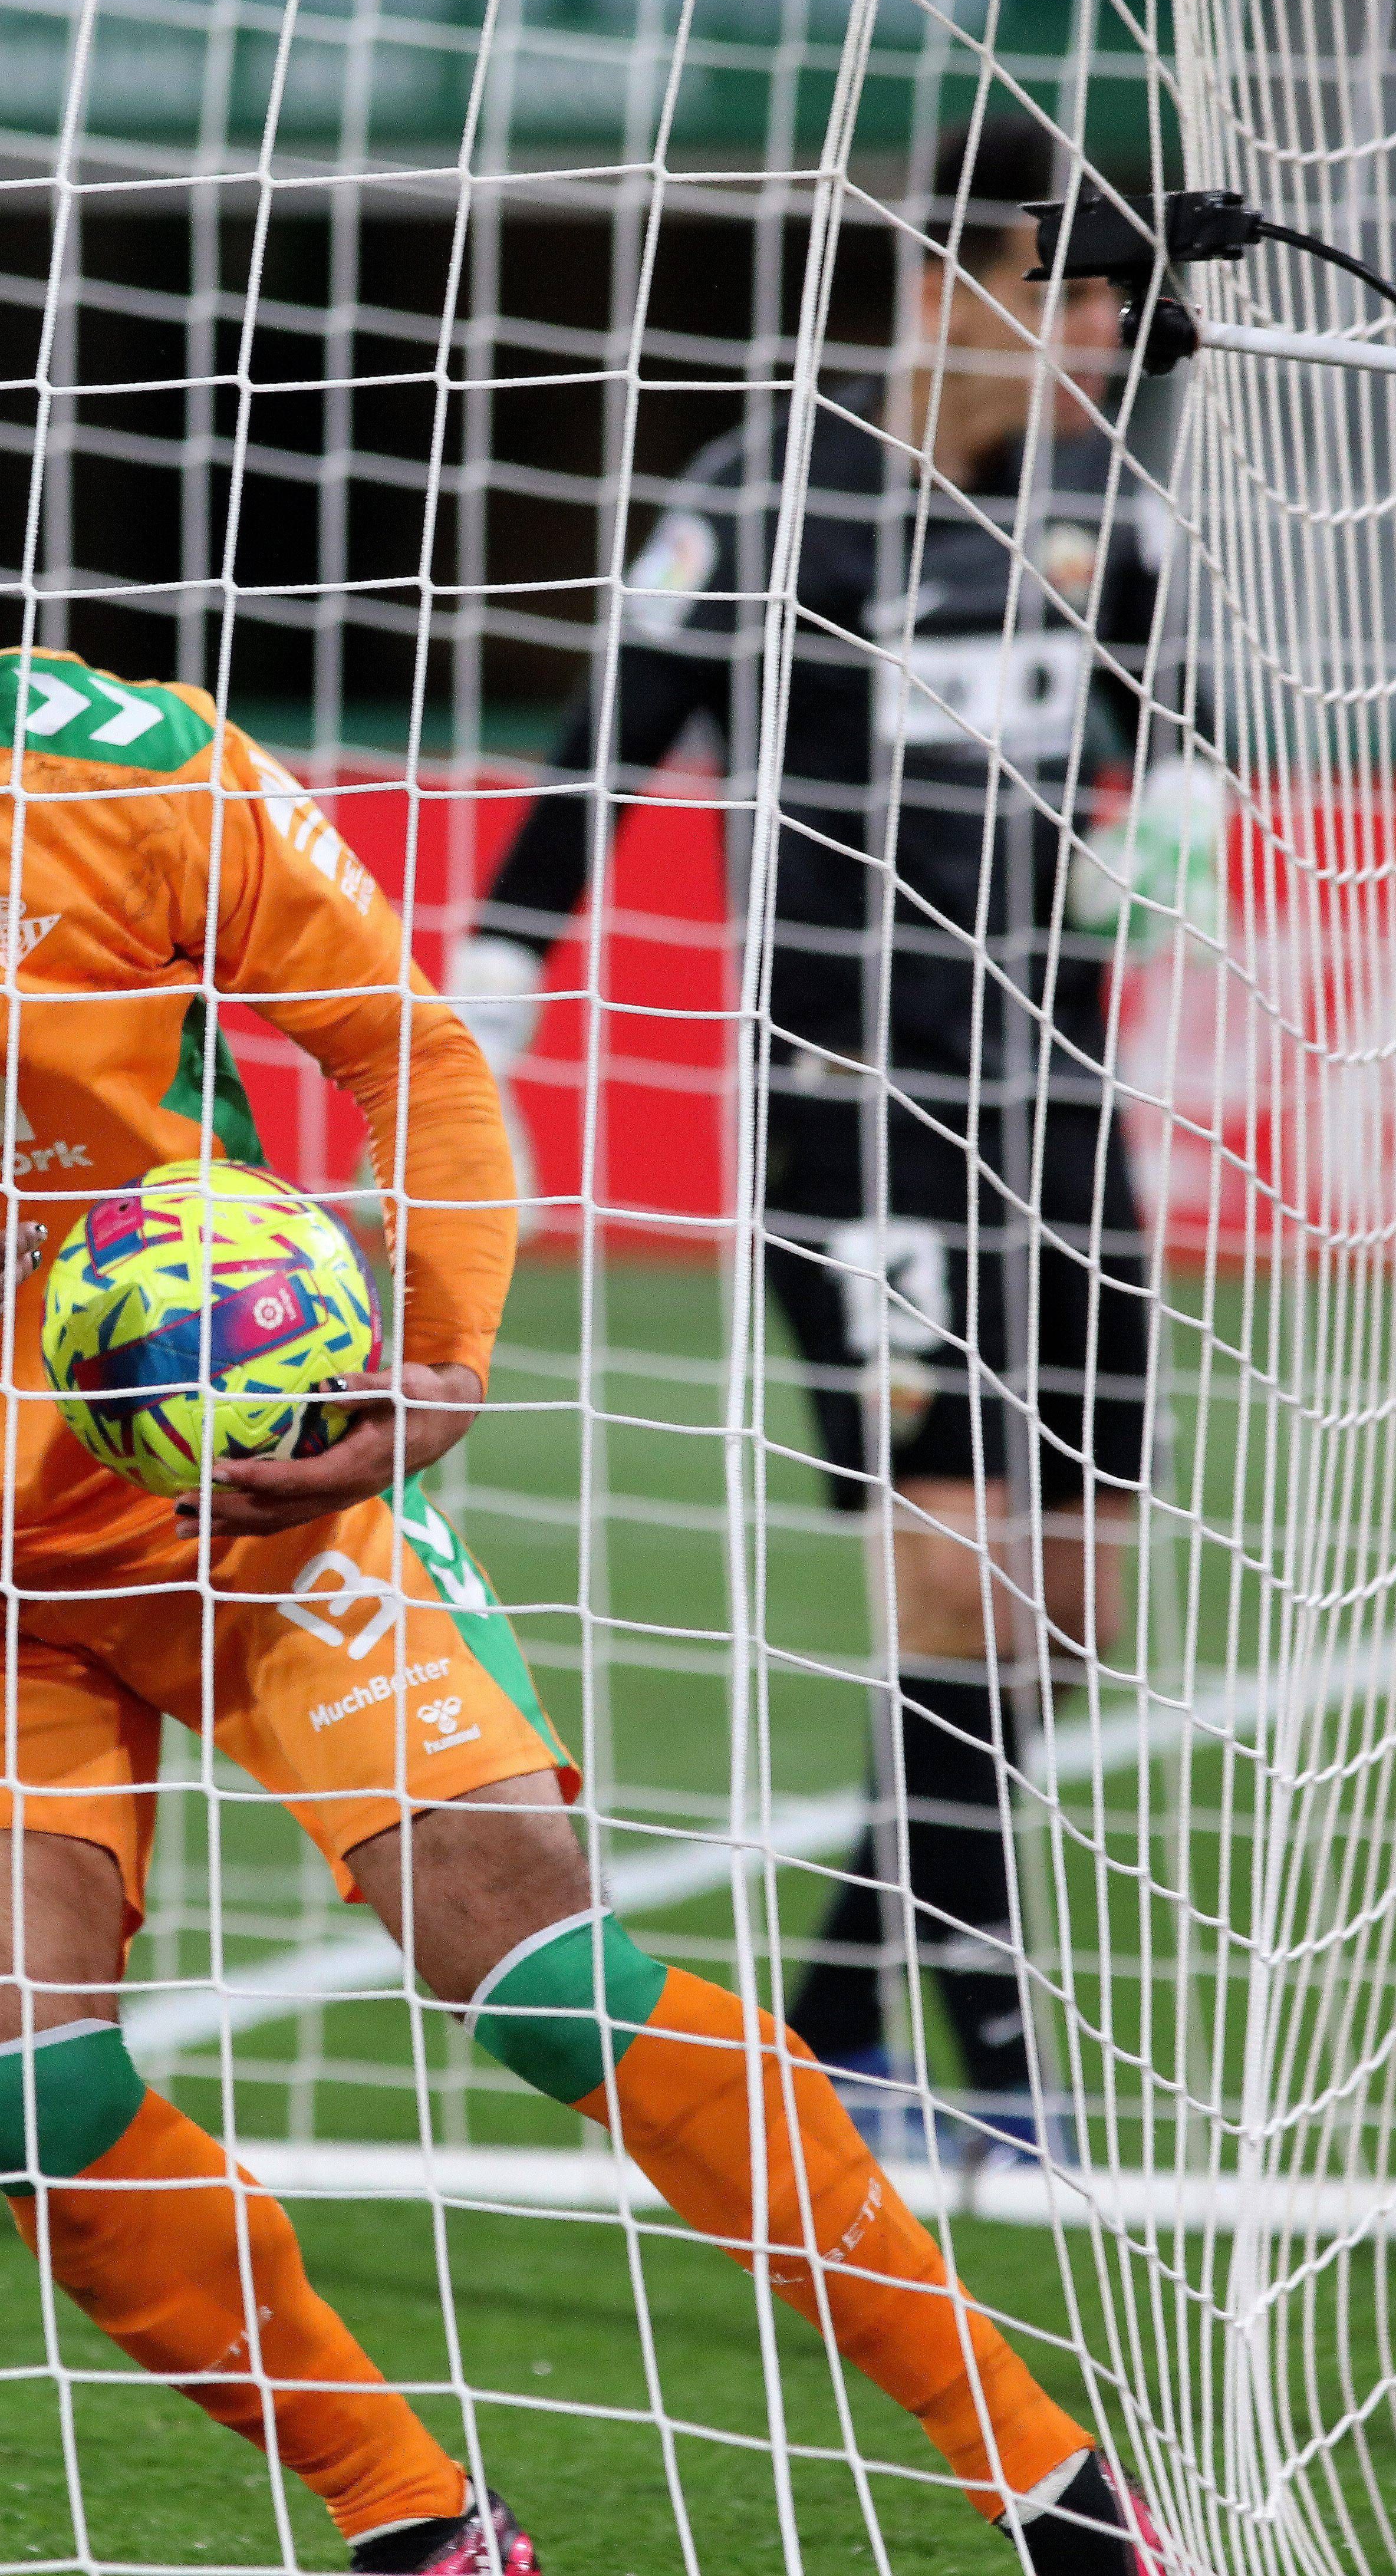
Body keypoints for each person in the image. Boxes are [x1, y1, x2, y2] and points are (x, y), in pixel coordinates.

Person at [0, 435, 1168, 2573]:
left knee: (528, 1971)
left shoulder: (124, 772)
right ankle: (418, 2523)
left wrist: (428, 1366)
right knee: (19, 2100)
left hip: (245, 1509)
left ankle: (1054, 2484)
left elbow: (404, 1050)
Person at [447, 124, 1209, 2166]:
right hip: (853, 1117)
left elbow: (1164, 727)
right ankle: (986, 2065)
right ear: (967, 284)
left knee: (1068, 1604)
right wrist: (508, 962)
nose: (1109, 345)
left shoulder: (1102, 499)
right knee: (955, 1580)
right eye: (1083, 299)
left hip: (1054, 1103)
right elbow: (614, 732)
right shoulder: (773, 496)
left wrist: (1183, 815)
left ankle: (831, 2026)